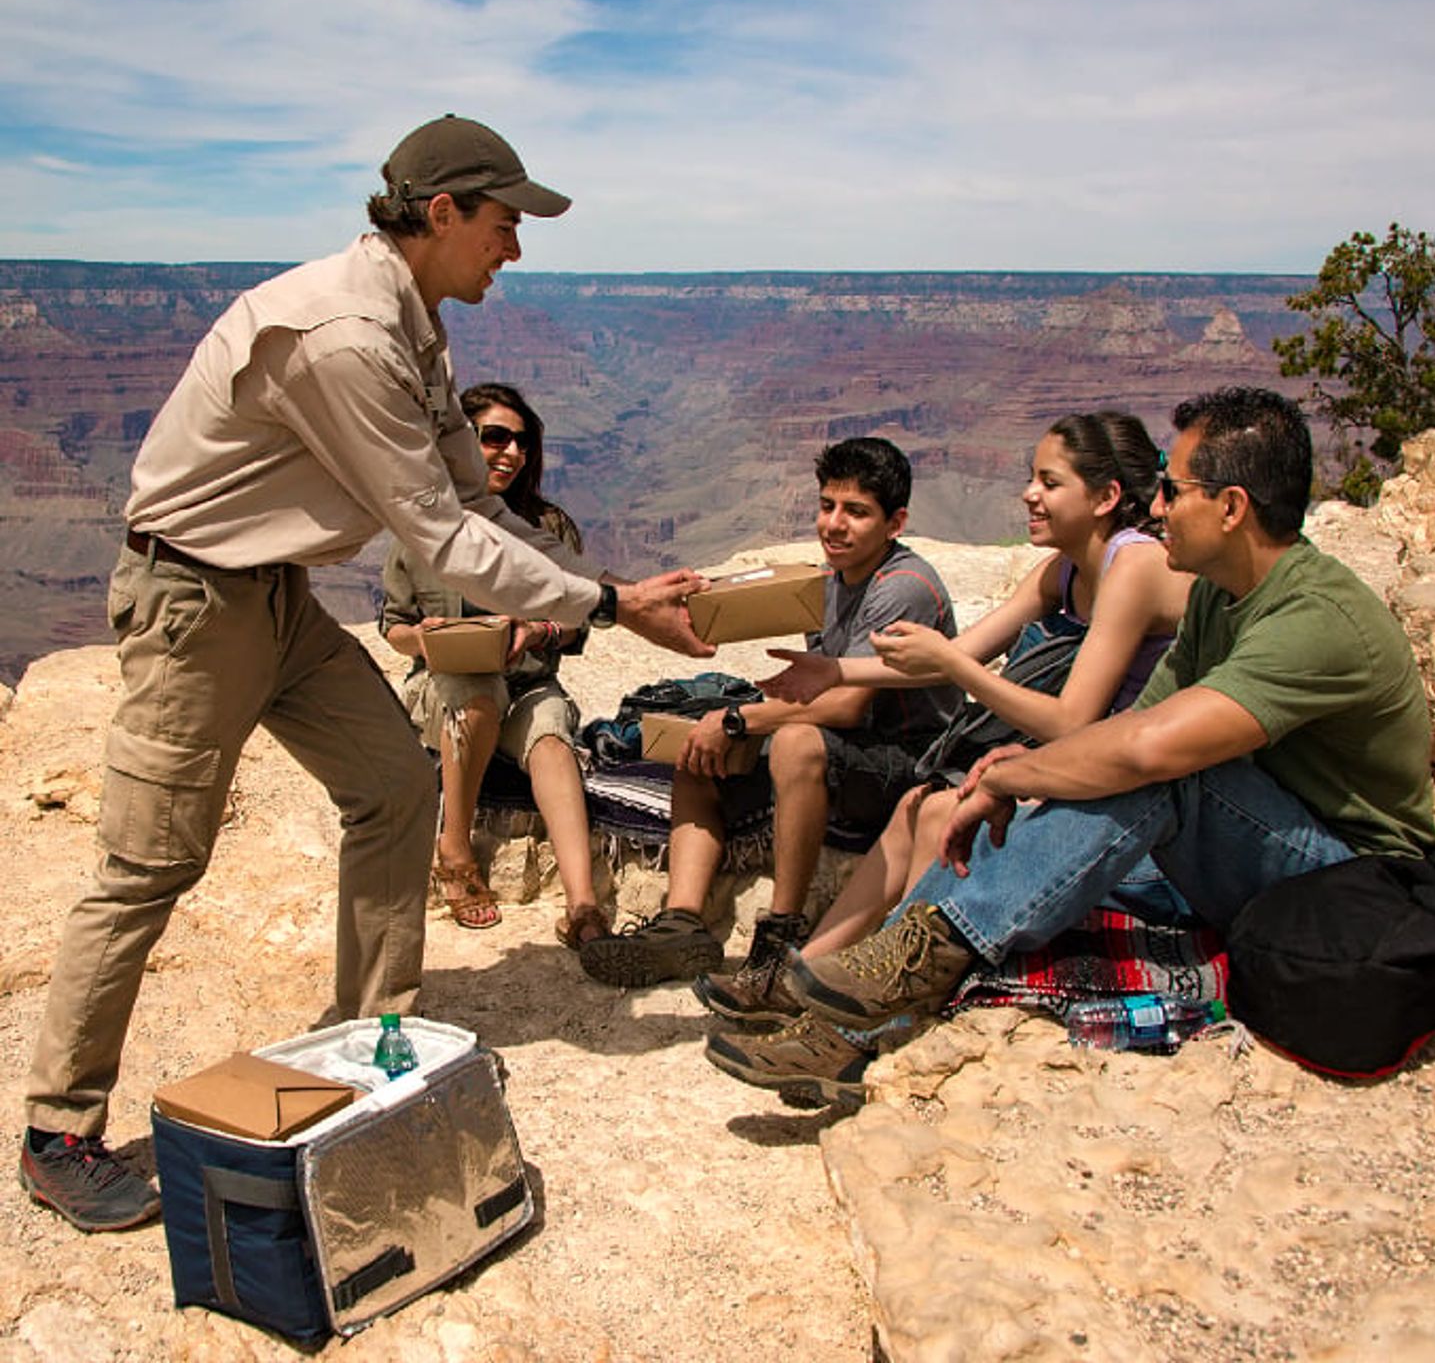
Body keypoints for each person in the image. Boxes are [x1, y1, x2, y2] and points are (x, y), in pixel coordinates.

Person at [20, 114, 713, 1234]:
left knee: (394, 788)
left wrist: (616, 583)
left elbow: (482, 506)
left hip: (276, 598)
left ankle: (373, 1036)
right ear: (441, 214)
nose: (516, 249)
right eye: (503, 224)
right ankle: (58, 1131)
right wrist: (614, 607)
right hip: (194, 603)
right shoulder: (344, 335)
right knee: (150, 865)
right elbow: (440, 538)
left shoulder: (413, 319)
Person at [706, 388, 1435, 1103]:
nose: (1156, 507)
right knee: (1034, 801)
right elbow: (1126, 728)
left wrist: (1023, 771)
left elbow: (1148, 750)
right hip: (1246, 842)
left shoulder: (1314, 617)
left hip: (1350, 878)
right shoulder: (1219, 593)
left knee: (1159, 773)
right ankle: (849, 1019)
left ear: (1232, 507)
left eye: (1174, 490)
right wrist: (1025, 776)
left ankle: (900, 971)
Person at [698, 411, 1192, 1027]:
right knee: (916, 807)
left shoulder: (1134, 565)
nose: (1028, 493)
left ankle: (884, 1005)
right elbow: (955, 658)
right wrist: (839, 672)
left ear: (1106, 497)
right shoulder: (1062, 571)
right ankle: (803, 979)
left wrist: (950, 668)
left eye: (1049, 481)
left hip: (1138, 792)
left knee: (938, 809)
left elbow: (1067, 719)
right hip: (1086, 760)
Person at [579, 436, 963, 990]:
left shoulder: (903, 588)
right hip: (849, 752)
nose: (834, 524)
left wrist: (740, 720)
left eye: (857, 512)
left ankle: (782, 932)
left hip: (908, 756)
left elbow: (850, 706)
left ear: (894, 522)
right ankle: (682, 924)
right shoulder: (830, 583)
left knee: (790, 741)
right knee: (699, 749)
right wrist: (723, 722)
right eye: (827, 506)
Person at [381, 381, 609, 946]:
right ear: (460, 443)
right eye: (496, 438)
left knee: (552, 742)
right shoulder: (423, 525)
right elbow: (393, 625)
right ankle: (454, 850)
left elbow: (580, 618)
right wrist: (426, 639)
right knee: (477, 691)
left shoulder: (545, 526)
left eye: (522, 442)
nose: (512, 452)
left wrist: (539, 630)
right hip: (447, 685)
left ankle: (582, 906)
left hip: (528, 682)